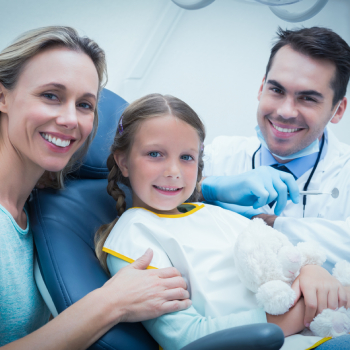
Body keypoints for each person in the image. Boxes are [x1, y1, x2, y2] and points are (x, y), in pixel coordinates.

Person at [94, 93, 346, 350]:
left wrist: (311, 271)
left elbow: (283, 258)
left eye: (186, 157)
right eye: (155, 154)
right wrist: (300, 314)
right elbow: (189, 337)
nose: (173, 171)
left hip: (318, 332)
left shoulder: (212, 213)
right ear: (123, 161)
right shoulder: (135, 235)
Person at [0, 26, 192, 349]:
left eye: (85, 105)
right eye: (51, 96)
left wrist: (210, 190)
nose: (70, 119)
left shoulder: (42, 196)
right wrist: (111, 302)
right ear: (3, 97)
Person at [201, 27, 350, 327]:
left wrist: (270, 224)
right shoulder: (219, 155)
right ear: (261, 88)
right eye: (276, 90)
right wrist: (208, 189)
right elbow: (150, 190)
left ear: (338, 110)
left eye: (307, 98)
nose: (285, 111)